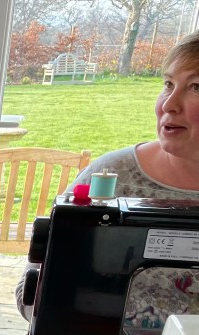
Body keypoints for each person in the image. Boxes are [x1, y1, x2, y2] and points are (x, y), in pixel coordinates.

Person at [16, 30, 199, 320]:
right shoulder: (113, 177)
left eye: (196, 87)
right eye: (168, 84)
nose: (168, 104)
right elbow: (29, 295)